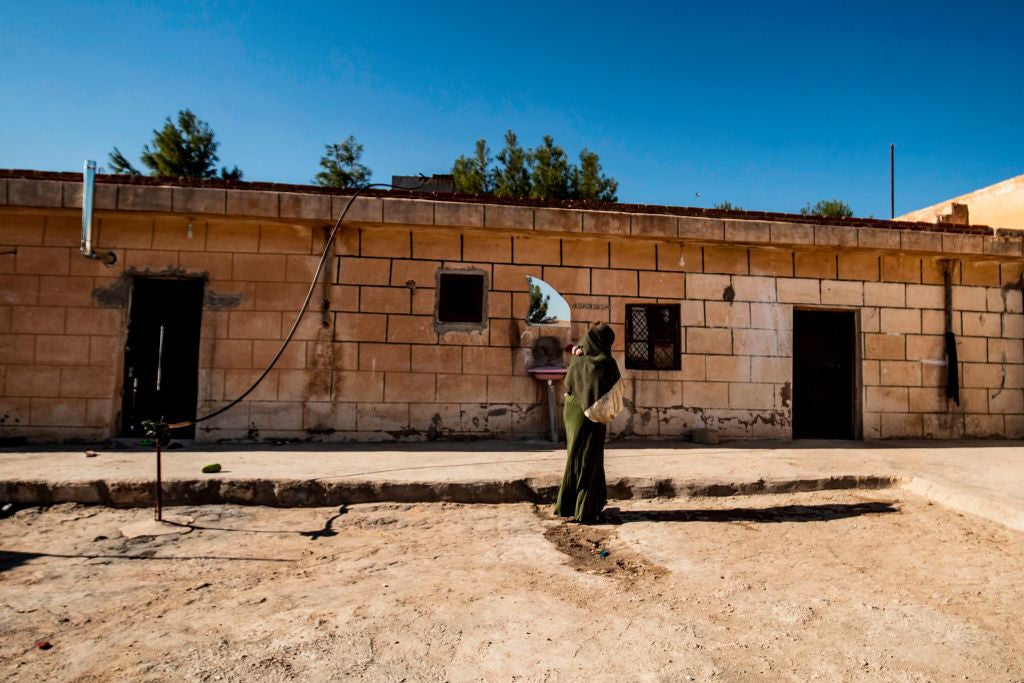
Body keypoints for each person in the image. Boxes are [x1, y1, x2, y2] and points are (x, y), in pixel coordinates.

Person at [553, 323, 624, 523]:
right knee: (590, 458)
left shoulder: (579, 357)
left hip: (572, 409)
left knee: (575, 454)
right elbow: (615, 389)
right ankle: (585, 508)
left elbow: (569, 383)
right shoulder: (606, 362)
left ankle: (569, 505)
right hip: (592, 414)